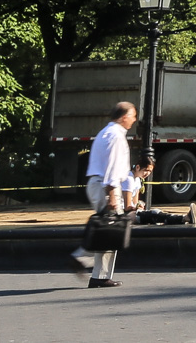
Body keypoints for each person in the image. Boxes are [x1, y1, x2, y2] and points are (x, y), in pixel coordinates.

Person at [70, 101, 140, 286]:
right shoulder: (116, 136)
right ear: (124, 116)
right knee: (111, 230)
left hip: (97, 183)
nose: (134, 120)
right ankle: (82, 259)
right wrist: (113, 196)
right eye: (133, 116)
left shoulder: (105, 133)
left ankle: (99, 276)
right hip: (106, 185)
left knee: (109, 228)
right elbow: (112, 168)